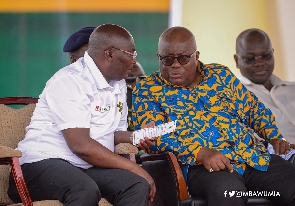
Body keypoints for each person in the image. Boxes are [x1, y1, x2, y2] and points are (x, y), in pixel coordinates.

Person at [132, 26, 295, 205]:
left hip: (251, 156)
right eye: (168, 59)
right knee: (229, 194)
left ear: (196, 55)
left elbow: (254, 109)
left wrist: (273, 136)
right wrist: (199, 152)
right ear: (159, 57)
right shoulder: (148, 89)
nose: (176, 64)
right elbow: (154, 135)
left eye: (183, 58)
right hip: (201, 167)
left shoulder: (220, 75)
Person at [8, 24, 155, 206]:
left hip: (82, 167)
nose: (134, 61)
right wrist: (134, 167)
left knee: (136, 185)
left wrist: (135, 136)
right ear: (109, 54)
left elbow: (108, 133)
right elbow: (81, 145)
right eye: (131, 53)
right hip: (40, 164)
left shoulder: (118, 84)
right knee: (84, 189)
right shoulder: (70, 80)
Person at [234, 28, 295, 146]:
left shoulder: (292, 89)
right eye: (250, 58)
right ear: (237, 60)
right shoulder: (233, 97)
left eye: (266, 56)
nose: (259, 63)